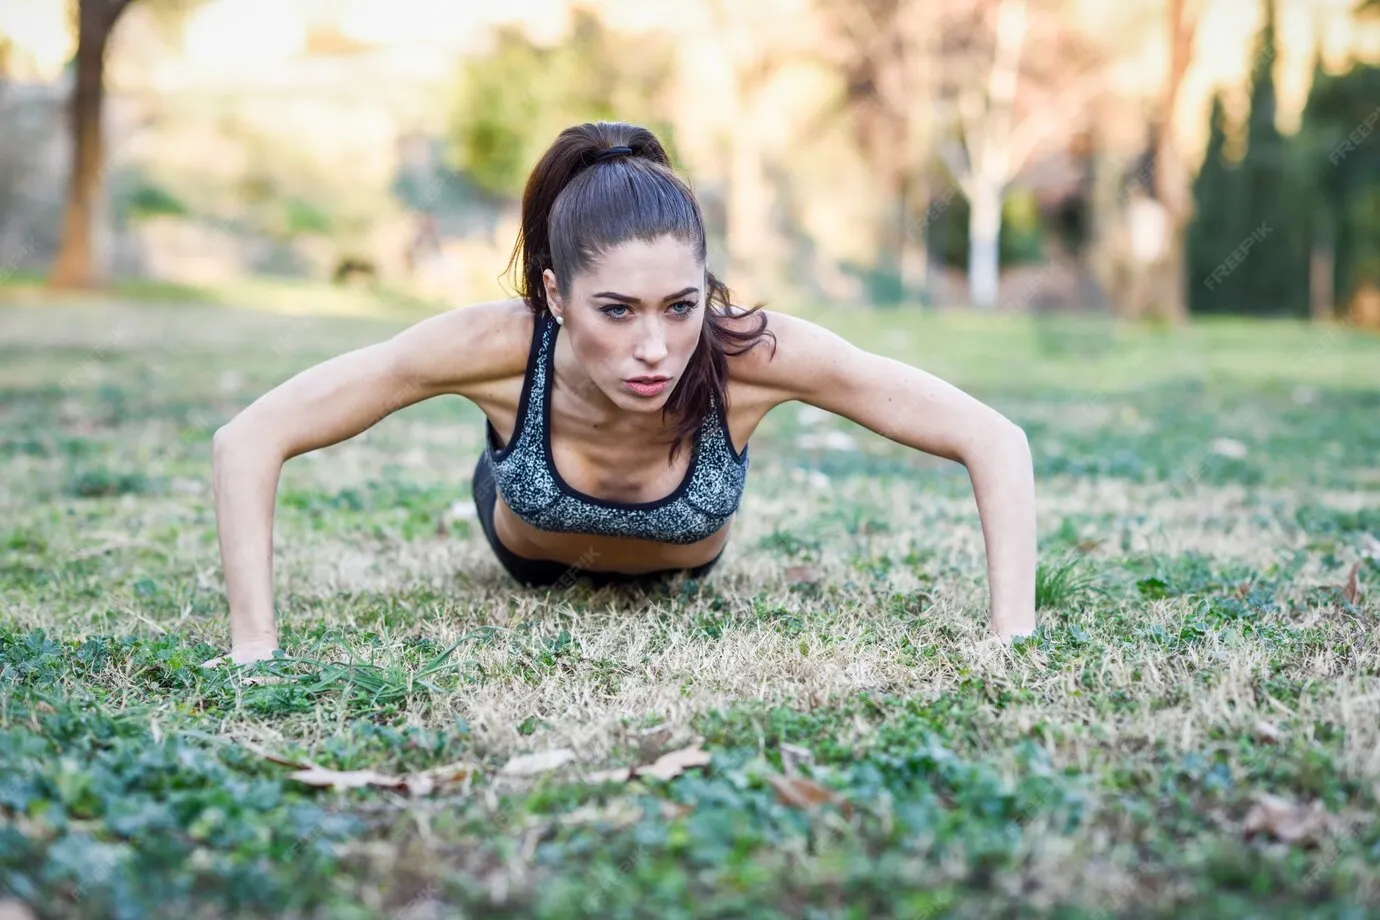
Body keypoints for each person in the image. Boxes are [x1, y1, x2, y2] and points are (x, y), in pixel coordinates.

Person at [205, 122, 1037, 668]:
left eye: (680, 306)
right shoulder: (498, 345)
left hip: (679, 570)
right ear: (556, 296)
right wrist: (255, 648)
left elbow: (994, 440)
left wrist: (1011, 640)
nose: (654, 347)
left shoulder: (749, 352)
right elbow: (249, 439)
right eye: (615, 310)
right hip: (531, 555)